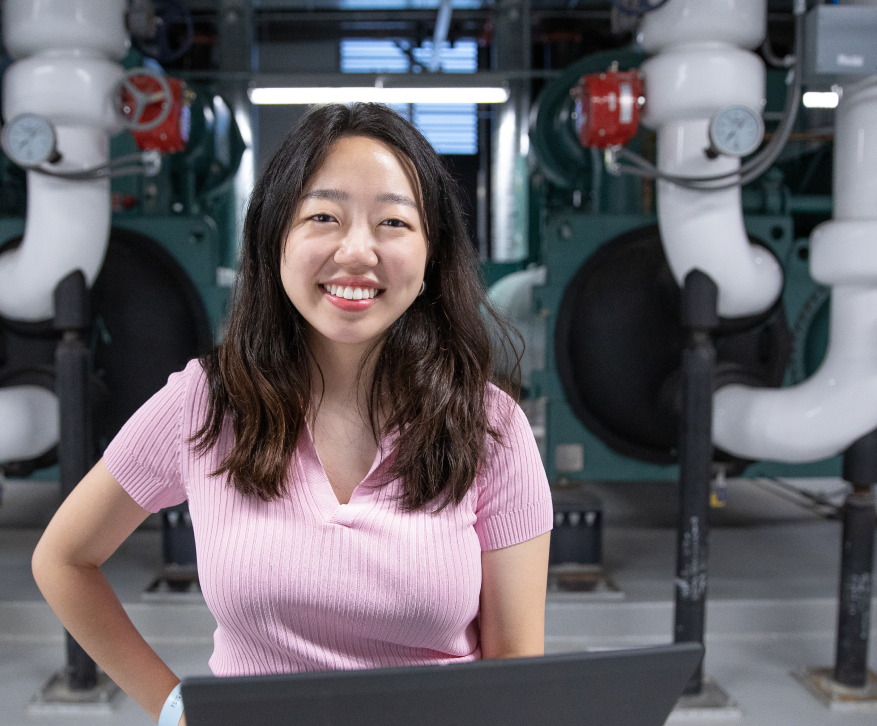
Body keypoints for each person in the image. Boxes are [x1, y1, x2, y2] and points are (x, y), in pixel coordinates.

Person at [32, 103, 552, 726]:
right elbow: (63, 559)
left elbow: (516, 666)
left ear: (432, 253)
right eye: (324, 216)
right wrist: (174, 708)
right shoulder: (207, 401)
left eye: (392, 221)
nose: (357, 251)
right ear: (275, 237)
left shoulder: (490, 428)